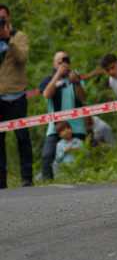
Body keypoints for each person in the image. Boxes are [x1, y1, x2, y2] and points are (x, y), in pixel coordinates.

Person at [39, 51, 87, 180]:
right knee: (47, 155)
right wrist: (58, 75)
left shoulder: (75, 77)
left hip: (76, 127)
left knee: (78, 155)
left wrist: (76, 83)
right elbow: (46, 94)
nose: (62, 65)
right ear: (54, 64)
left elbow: (83, 99)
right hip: (55, 127)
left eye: (65, 61)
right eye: (59, 62)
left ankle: (83, 179)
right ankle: (47, 182)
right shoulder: (49, 80)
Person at [0, 4, 33, 188]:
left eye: (3, 18)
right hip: (0, 96)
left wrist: (9, 40)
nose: (1, 22)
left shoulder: (19, 36)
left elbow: (22, 58)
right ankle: (1, 181)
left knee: (22, 137)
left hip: (17, 95)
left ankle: (27, 177)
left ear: (9, 17)